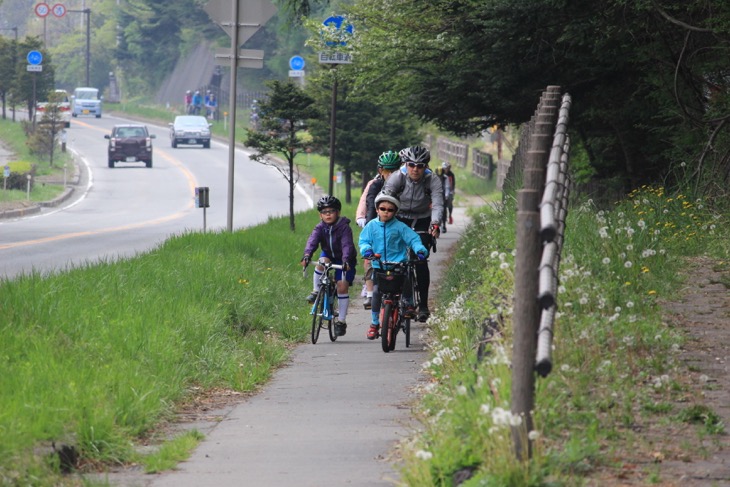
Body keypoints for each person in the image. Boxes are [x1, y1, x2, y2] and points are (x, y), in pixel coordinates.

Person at [382, 145, 443, 322]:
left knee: (420, 260)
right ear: (405, 164)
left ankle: (423, 305)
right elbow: (386, 199)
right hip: (399, 218)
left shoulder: (432, 180)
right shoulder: (396, 177)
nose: (415, 169)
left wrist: (435, 224)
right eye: (411, 165)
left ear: (426, 167)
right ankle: (404, 298)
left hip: (422, 219)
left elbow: (438, 203)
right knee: (397, 260)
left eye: (420, 165)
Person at [359, 191, 428, 340]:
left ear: (395, 212)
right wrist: (367, 251)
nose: (386, 212)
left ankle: (408, 304)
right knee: (377, 292)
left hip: (398, 264)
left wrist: (420, 250)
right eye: (382, 209)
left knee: (406, 279)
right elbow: (363, 241)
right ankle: (374, 323)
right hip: (379, 265)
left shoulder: (400, 227)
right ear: (377, 209)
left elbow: (414, 239)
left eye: (390, 210)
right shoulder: (371, 226)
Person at [300, 196, 357, 337]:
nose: (328, 214)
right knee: (322, 260)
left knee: (342, 285)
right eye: (324, 212)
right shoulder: (320, 227)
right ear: (320, 215)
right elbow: (312, 241)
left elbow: (347, 245)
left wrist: (345, 261)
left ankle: (341, 322)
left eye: (331, 211)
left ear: (337, 212)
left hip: (345, 259)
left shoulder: (344, 227)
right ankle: (315, 291)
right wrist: (307, 255)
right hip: (329, 254)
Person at [355, 150, 402, 310]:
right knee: (369, 257)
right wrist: (367, 223)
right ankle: (369, 292)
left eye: (394, 170)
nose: (390, 174)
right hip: (377, 222)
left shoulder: (404, 183)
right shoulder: (374, 184)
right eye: (386, 170)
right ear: (380, 170)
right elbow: (368, 203)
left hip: (397, 224)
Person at [437, 161, 456, 232]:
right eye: (445, 168)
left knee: (449, 204)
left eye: (447, 168)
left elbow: (450, 185)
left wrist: (448, 194)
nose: (446, 170)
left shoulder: (450, 175)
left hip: (446, 194)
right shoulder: (436, 177)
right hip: (438, 196)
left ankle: (449, 215)